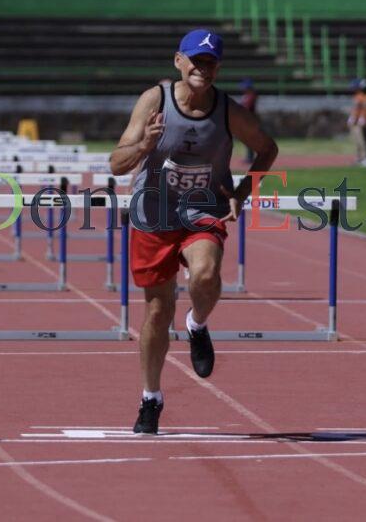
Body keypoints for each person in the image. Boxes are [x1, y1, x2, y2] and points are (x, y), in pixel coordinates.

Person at [109, 29, 278, 435]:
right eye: (196, 61)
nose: (203, 69)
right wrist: (143, 146)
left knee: (205, 274)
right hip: (153, 214)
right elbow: (116, 163)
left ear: (218, 68)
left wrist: (243, 191)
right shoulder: (155, 101)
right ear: (179, 62)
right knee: (156, 311)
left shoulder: (228, 110)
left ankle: (198, 324)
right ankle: (151, 397)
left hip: (203, 209)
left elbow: (267, 148)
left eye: (211, 62)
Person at [238, 78, 258, 163]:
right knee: (247, 140)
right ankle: (249, 157)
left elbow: (247, 107)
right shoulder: (246, 95)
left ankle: (250, 158)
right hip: (245, 120)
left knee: (250, 140)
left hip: (250, 121)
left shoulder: (252, 95)